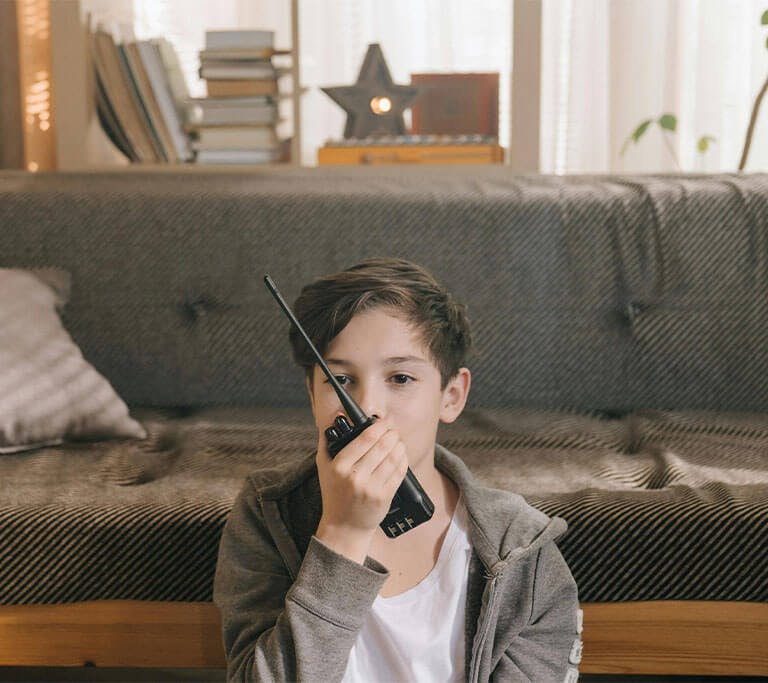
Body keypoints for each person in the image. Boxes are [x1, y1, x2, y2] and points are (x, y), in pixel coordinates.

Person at [213, 257, 582, 682]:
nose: (368, 409)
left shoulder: (521, 549)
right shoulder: (268, 512)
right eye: (341, 381)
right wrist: (343, 533)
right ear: (313, 394)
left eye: (401, 378)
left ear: (452, 395)